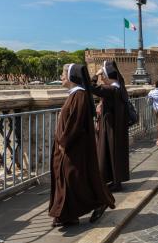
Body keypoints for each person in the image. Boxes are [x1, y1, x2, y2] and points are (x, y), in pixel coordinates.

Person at [49, 64, 115, 227]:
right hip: (68, 146)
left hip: (73, 147)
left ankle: (98, 201)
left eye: (64, 74)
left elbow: (75, 123)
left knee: (72, 178)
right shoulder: (76, 94)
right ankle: (67, 215)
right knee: (70, 179)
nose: (61, 77)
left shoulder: (79, 95)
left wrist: (64, 143)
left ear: (72, 76)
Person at [91, 61, 130, 191]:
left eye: (103, 75)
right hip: (117, 126)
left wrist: (95, 75)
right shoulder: (119, 87)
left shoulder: (111, 89)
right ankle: (115, 180)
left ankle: (115, 183)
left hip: (111, 127)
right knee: (115, 153)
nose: (102, 78)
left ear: (108, 76)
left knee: (111, 153)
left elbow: (91, 87)